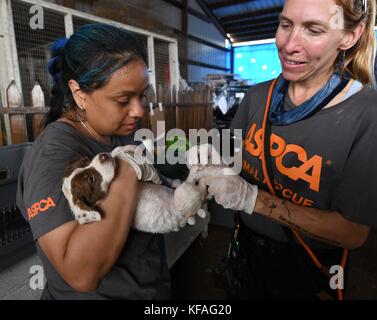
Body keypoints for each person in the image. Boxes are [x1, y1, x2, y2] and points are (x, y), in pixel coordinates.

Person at [197, 0, 377, 300]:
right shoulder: (257, 97)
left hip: (306, 263)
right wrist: (199, 169)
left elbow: (353, 233)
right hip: (246, 248)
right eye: (285, 25)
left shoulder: (366, 115)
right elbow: (232, 161)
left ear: (350, 36)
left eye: (314, 30)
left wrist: (254, 200)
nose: (288, 44)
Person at [16, 23, 171, 299]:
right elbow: (80, 273)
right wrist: (126, 171)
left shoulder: (119, 132)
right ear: (78, 93)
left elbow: (149, 192)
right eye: (123, 99)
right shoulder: (52, 154)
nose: (138, 111)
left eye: (142, 95)